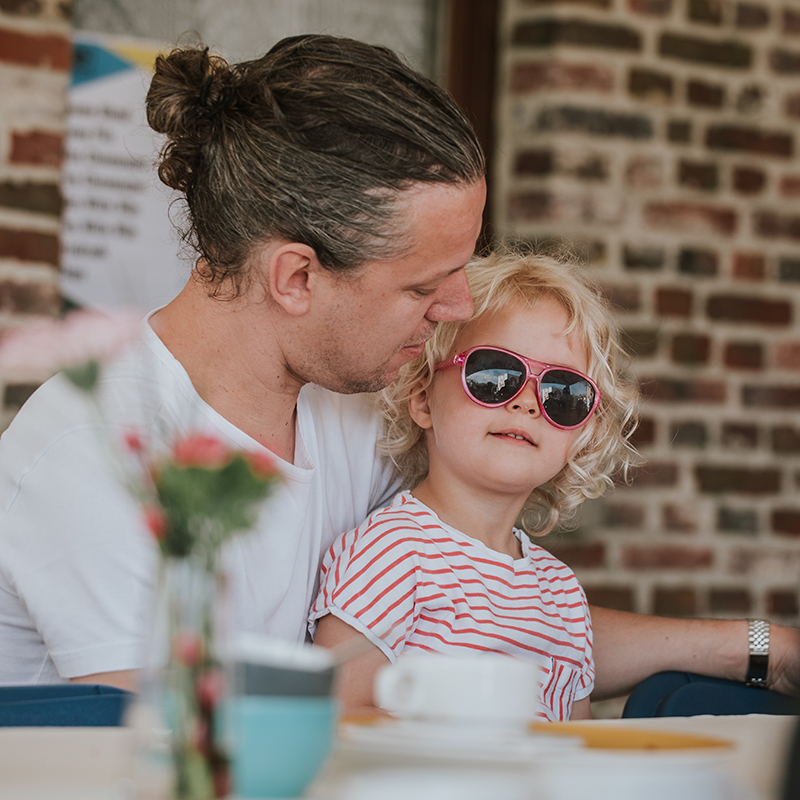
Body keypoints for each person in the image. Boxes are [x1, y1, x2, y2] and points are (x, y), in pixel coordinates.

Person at [0, 34, 796, 702]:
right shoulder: (98, 458)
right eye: (424, 285)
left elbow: (495, 615)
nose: (458, 306)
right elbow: (177, 763)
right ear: (297, 277)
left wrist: (757, 647)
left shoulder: (352, 404)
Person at [310, 250, 639, 720]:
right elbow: (336, 711)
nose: (527, 403)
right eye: (495, 375)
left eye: (563, 392)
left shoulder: (562, 593)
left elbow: (574, 742)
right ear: (422, 398)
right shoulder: (394, 553)